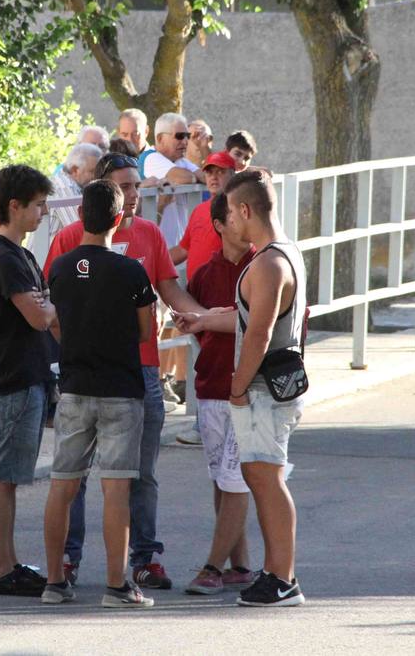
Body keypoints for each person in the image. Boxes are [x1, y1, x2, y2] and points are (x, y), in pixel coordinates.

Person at [46, 152, 205, 591]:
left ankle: (144, 558)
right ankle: (70, 562)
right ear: (107, 194)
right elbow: (52, 305)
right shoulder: (68, 242)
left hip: (141, 375)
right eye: (126, 186)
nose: (136, 194)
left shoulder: (151, 235)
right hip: (100, 380)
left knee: (139, 474)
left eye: (137, 185)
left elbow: (169, 288)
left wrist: (204, 318)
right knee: (77, 480)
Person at [174, 169, 308, 605]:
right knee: (260, 475)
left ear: (246, 210)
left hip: (264, 389)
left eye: (230, 210)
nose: (227, 219)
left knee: (266, 478)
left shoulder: (268, 262)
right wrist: (205, 317)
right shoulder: (283, 253)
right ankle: (275, 572)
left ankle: (282, 577)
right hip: (270, 384)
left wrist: (237, 386)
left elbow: (258, 333)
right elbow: (247, 317)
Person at [42, 179, 157, 608]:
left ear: (80, 217)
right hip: (121, 390)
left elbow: (53, 319)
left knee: (62, 485)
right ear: (116, 217)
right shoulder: (131, 270)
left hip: (73, 387)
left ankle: (54, 582)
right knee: (116, 489)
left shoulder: (59, 266)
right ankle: (116, 585)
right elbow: (147, 331)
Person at [0, 165, 56, 597]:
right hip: (13, 381)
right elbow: (39, 315)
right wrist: (48, 307)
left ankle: (6, 564)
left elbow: (44, 309)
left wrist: (47, 306)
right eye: (38, 204)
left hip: (24, 379)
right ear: (15, 206)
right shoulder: (7, 258)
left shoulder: (20, 255)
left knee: (7, 477)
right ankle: (1, 569)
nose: (44, 211)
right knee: (3, 478)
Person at [179, 191, 256, 595]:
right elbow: (195, 326)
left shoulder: (266, 267)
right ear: (219, 226)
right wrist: (195, 322)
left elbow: (257, 324)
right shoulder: (205, 276)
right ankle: (240, 565)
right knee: (221, 480)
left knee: (235, 479)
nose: (244, 220)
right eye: (234, 215)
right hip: (210, 388)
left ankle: (212, 567)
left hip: (250, 392)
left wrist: (208, 320)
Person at [140, 112, 200, 248]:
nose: (185, 141)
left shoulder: (180, 161)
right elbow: (186, 177)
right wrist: (192, 177)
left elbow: (205, 175)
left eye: (187, 136)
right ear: (160, 138)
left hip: (177, 246)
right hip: (156, 245)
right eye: (179, 136)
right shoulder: (150, 158)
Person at [170, 150, 237, 268]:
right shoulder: (199, 209)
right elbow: (183, 249)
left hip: (225, 284)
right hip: (195, 285)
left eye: (220, 172)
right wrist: (153, 262)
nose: (214, 177)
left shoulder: (239, 210)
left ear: (232, 175)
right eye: (209, 172)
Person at [48, 142, 102, 236]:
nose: (98, 177)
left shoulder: (70, 183)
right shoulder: (63, 187)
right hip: (44, 250)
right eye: (92, 171)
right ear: (75, 170)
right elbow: (86, 228)